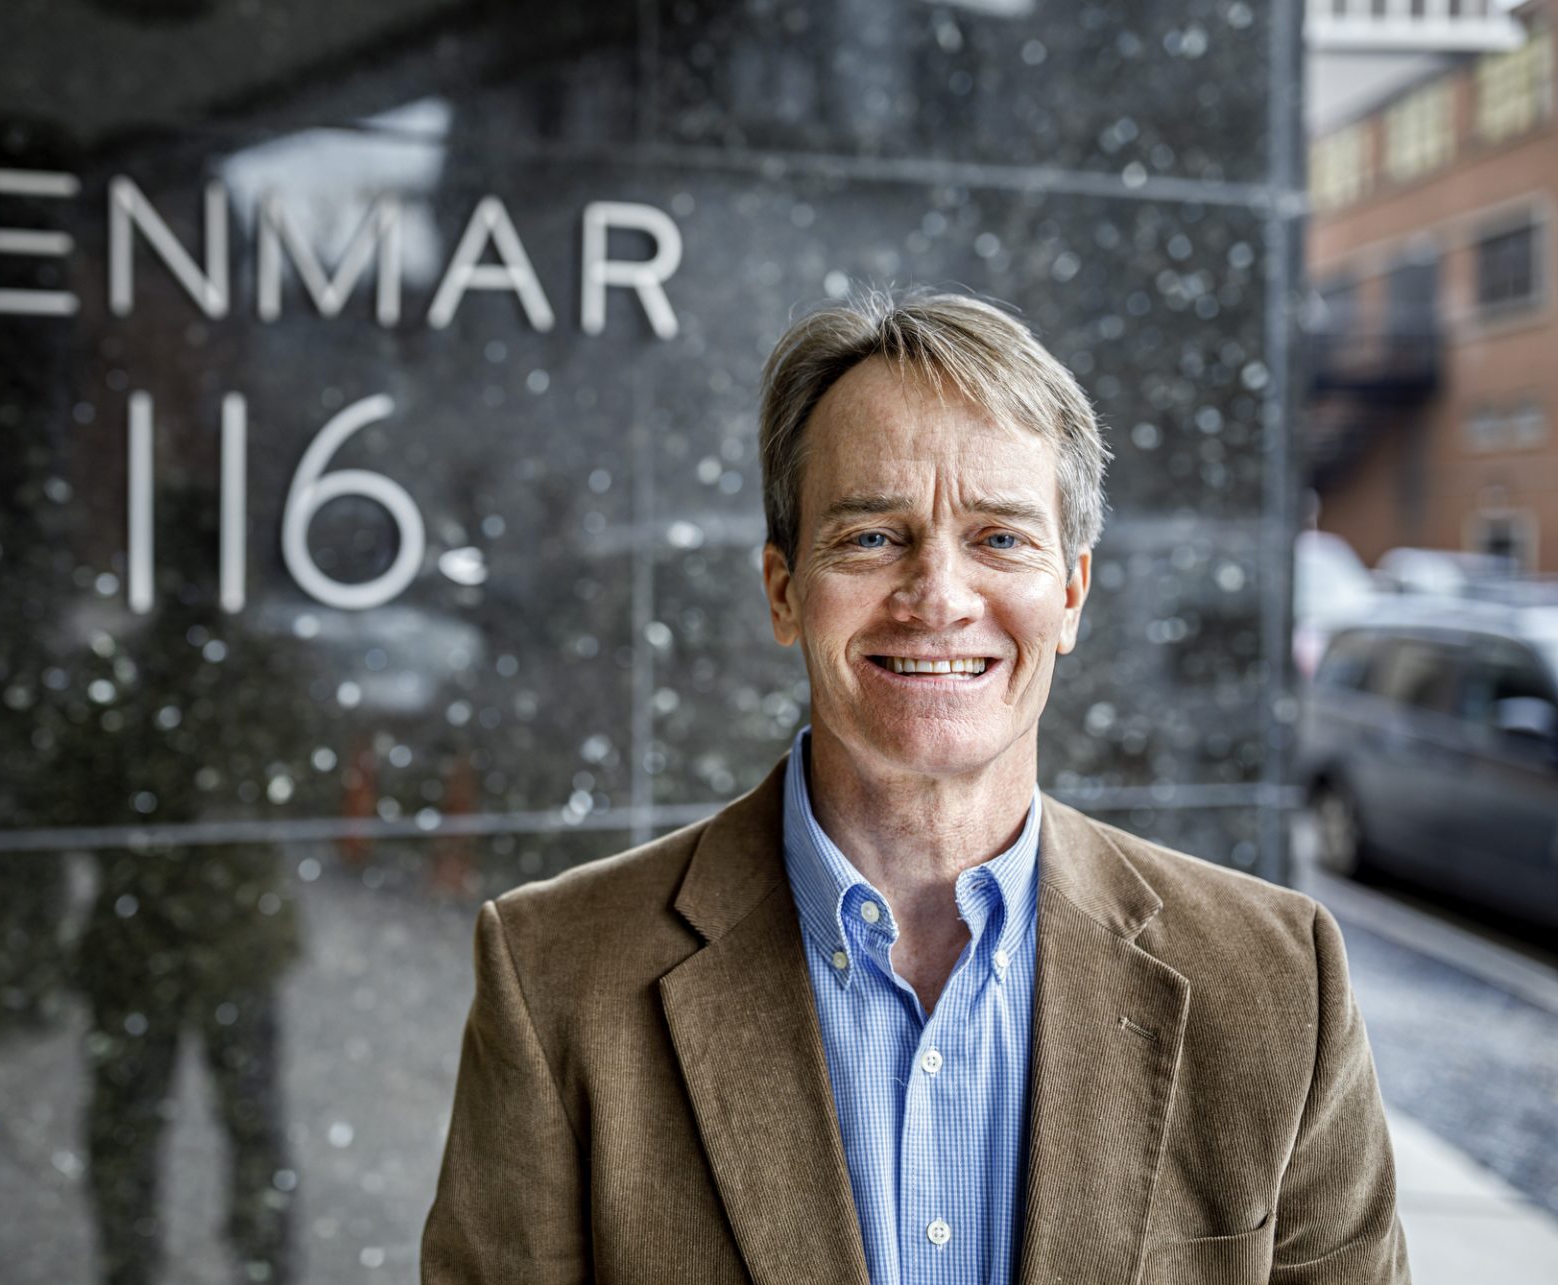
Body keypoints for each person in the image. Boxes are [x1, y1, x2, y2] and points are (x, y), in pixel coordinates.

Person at [421, 292, 1411, 1284]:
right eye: (871, 537)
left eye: (1001, 538)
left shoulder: (1280, 982)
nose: (937, 595)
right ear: (783, 590)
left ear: (1070, 593)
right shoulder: (556, 975)